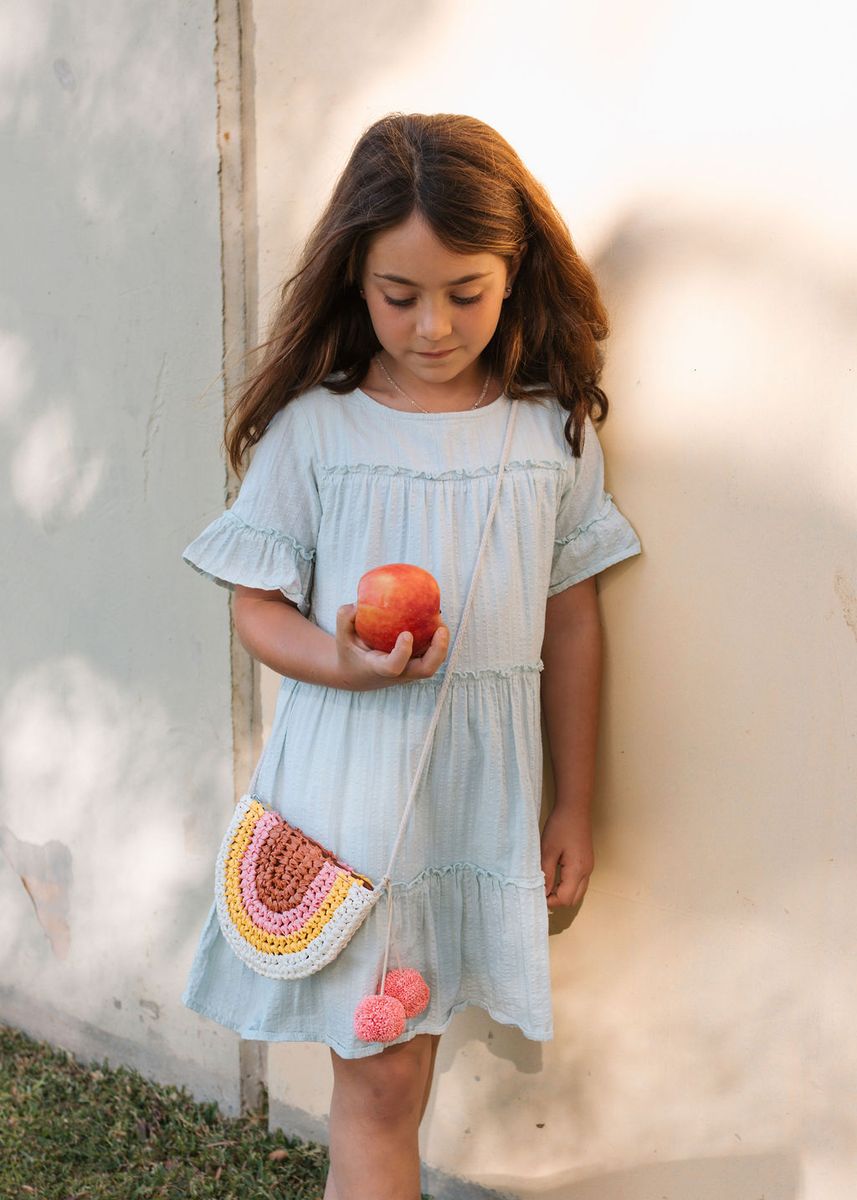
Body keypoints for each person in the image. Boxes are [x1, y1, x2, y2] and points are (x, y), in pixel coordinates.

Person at [180, 112, 641, 1200]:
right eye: (399, 296)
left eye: (462, 293)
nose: (431, 325)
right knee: (379, 1087)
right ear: (355, 280)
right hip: (351, 805)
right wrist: (342, 661)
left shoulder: (550, 432)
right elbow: (257, 608)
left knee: (411, 1069)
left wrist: (575, 803)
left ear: (513, 268)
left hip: (475, 800)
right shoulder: (318, 432)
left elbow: (570, 620)